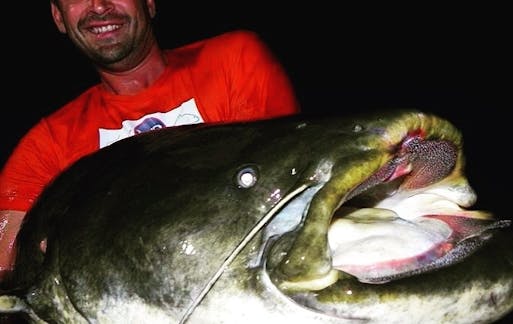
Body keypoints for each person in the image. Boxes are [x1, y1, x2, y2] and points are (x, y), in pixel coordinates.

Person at [0, 0, 300, 281]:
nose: (100, 6)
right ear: (58, 17)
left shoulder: (233, 63)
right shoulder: (47, 145)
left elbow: (285, 188)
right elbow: (5, 267)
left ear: (150, 2)